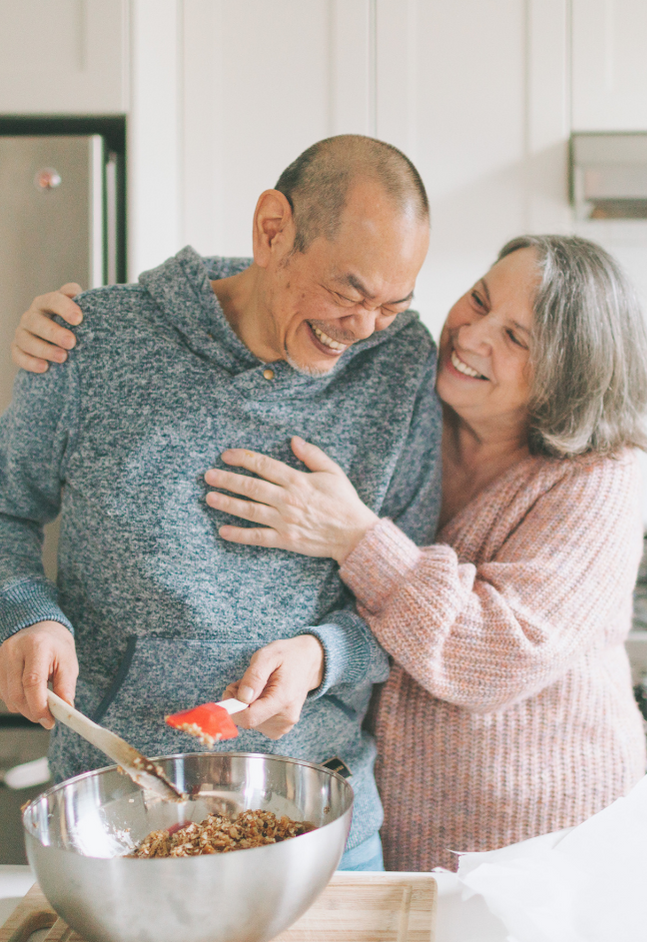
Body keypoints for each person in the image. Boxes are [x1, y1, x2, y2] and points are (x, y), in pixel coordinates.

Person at [0, 134, 441, 872]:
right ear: (273, 230)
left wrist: (320, 655)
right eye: (347, 292)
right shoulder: (96, 341)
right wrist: (27, 612)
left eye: (392, 305)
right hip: (113, 824)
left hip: (318, 825)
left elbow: (410, 593)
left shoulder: (399, 368)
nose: (361, 330)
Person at [143, 235, 647, 871]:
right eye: (479, 299)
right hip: (397, 829)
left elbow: (497, 653)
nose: (471, 335)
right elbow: (279, 290)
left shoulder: (601, 475)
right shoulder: (412, 407)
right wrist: (109, 317)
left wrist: (355, 537)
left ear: (572, 376)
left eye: (516, 337)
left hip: (551, 849)